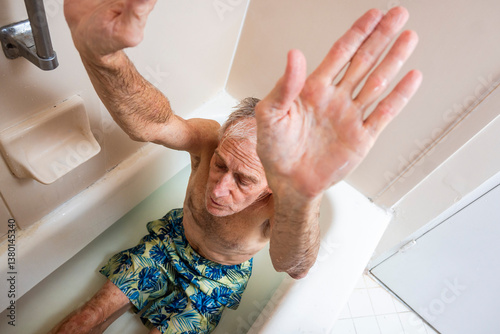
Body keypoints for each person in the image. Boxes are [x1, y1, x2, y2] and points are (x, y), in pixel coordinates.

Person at [51, 1, 422, 333]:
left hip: (218, 278)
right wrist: (103, 57)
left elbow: (294, 266)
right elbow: (153, 123)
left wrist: (302, 196)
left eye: (243, 180)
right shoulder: (212, 138)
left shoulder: (286, 199)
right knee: (85, 319)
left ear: (272, 186)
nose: (218, 188)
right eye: (220, 165)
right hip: (170, 241)